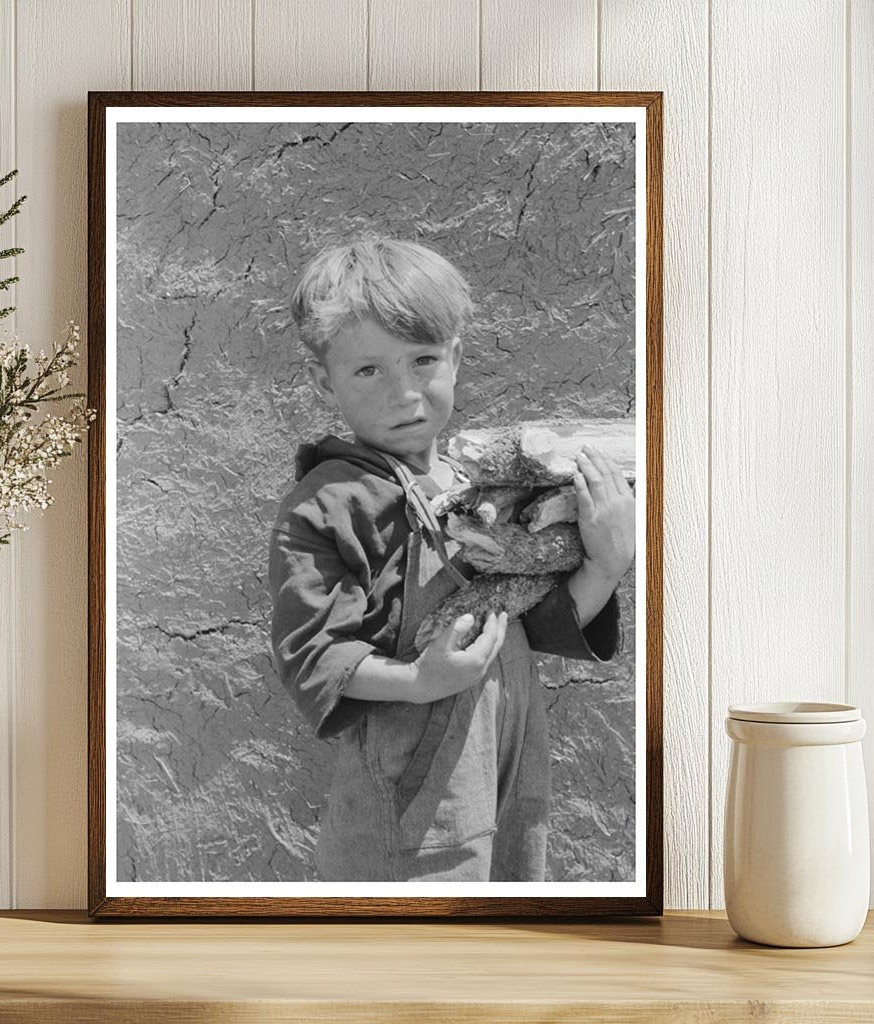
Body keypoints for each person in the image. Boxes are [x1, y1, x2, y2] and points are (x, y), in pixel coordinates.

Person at [267, 234, 635, 882]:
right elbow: (312, 652)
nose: (404, 393)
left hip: (511, 766)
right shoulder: (325, 505)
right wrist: (419, 681)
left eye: (424, 360)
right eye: (368, 370)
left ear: (457, 359)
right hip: (411, 798)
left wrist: (604, 564)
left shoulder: (484, 489)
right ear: (324, 380)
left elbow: (528, 621)